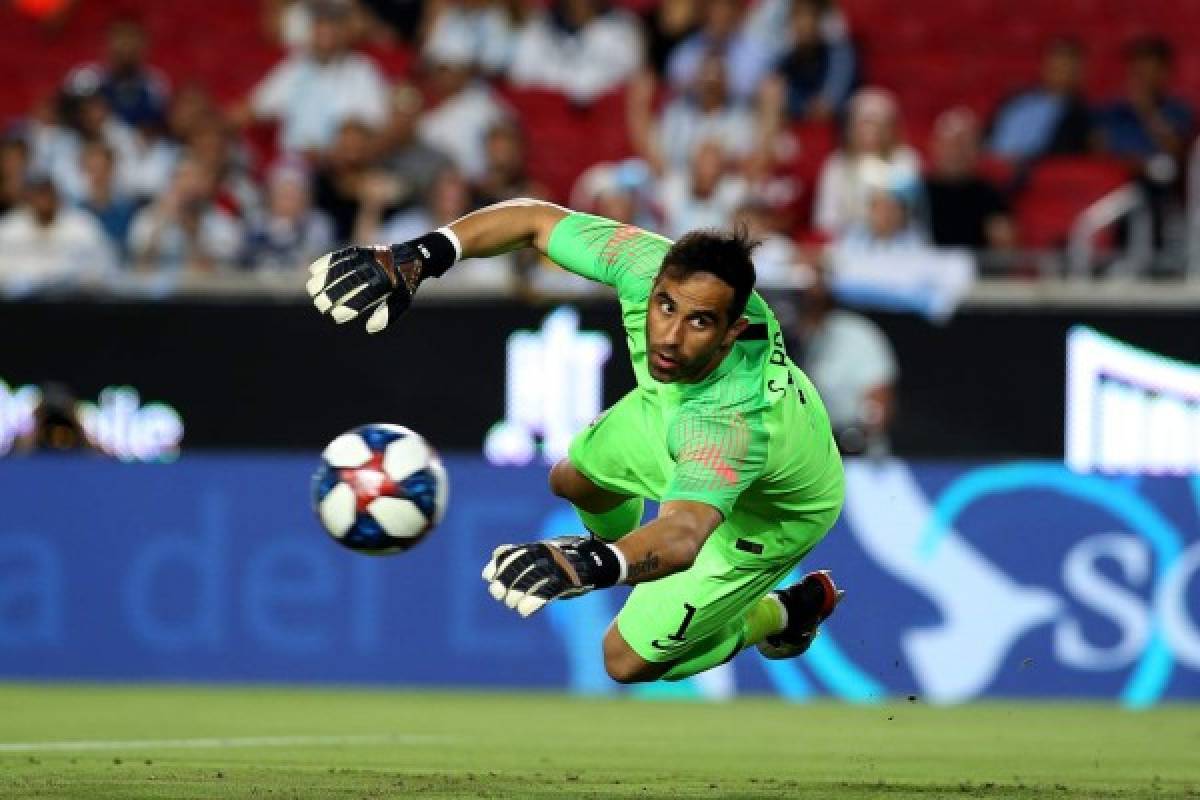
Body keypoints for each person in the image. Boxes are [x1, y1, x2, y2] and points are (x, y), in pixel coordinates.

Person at [305, 199, 845, 684]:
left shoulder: (730, 422)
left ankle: (784, 614)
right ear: (656, 283)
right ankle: (603, 547)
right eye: (665, 307)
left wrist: (594, 569)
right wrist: (423, 253)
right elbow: (535, 222)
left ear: (732, 332)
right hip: (671, 416)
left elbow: (682, 538)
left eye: (700, 322)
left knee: (625, 661)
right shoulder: (647, 265)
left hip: (768, 511)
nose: (670, 336)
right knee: (574, 477)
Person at [988, 37, 1095, 162]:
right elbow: (988, 133)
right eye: (1056, 62)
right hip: (988, 163)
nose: (1061, 70)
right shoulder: (1016, 99)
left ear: (1080, 71)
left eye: (1067, 65)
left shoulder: (1082, 116)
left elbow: (1059, 157)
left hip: (1028, 172)